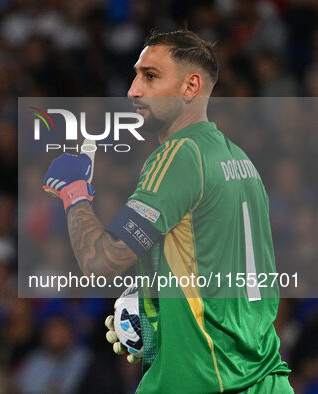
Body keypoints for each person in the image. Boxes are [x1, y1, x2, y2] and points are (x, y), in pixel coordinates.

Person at [41, 30, 293, 393]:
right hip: (264, 379)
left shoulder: (178, 155)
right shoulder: (239, 160)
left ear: (191, 87)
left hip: (204, 381)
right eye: (136, 74)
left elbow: (101, 262)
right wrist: (155, 317)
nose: (133, 90)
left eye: (151, 76)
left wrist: (74, 194)